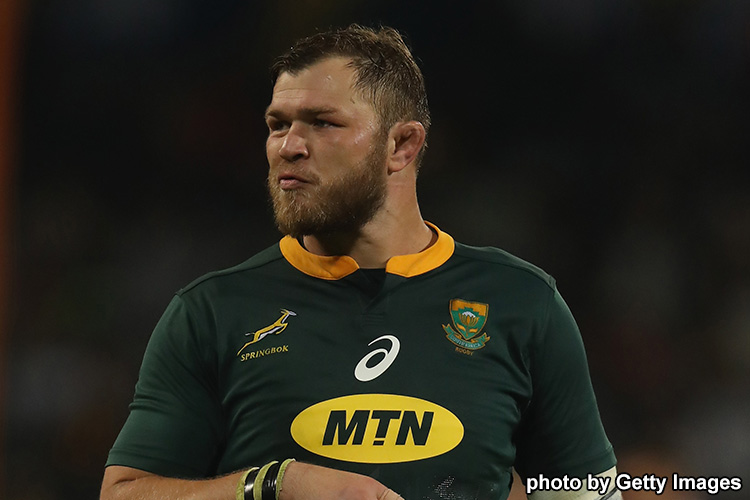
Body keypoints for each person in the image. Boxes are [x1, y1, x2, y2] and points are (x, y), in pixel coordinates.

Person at [100, 25, 620, 500]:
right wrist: (272, 485)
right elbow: (124, 493)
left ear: (401, 145)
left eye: (323, 123)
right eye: (277, 124)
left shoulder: (521, 303)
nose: (289, 146)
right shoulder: (212, 313)